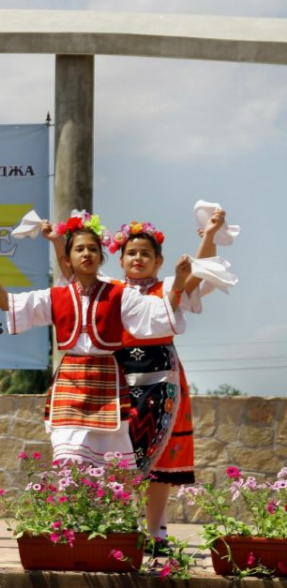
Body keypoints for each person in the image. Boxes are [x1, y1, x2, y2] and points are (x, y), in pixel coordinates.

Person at [0, 210, 192, 468]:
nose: (86, 254)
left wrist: (178, 281)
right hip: (70, 381)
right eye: (79, 249)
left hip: (107, 380)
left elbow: (159, 317)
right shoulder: (55, 296)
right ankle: (73, 506)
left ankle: (104, 507)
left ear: (101, 257)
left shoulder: (121, 294)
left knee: (111, 463)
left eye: (92, 249)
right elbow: (10, 304)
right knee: (69, 457)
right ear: (68, 259)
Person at [104, 211, 227, 552]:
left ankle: (156, 534)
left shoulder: (166, 288)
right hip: (119, 380)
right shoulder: (110, 291)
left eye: (145, 253)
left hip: (163, 380)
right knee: (118, 456)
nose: (138, 258)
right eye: (132, 253)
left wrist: (210, 234)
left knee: (159, 460)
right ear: (121, 259)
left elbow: (196, 274)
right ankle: (120, 530)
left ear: (158, 262)